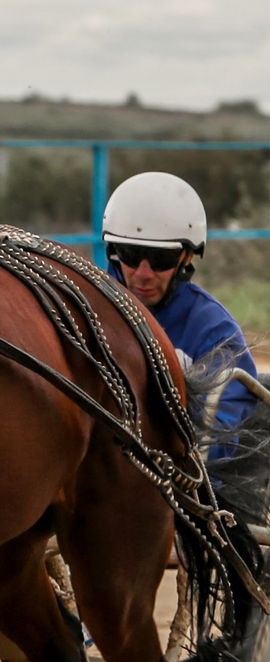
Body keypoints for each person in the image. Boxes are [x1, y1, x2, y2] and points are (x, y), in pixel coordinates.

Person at [104, 174, 264, 500]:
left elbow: (221, 431)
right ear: (113, 250)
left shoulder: (213, 330)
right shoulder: (83, 305)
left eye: (160, 259)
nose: (143, 274)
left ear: (187, 257)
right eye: (130, 254)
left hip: (174, 486)